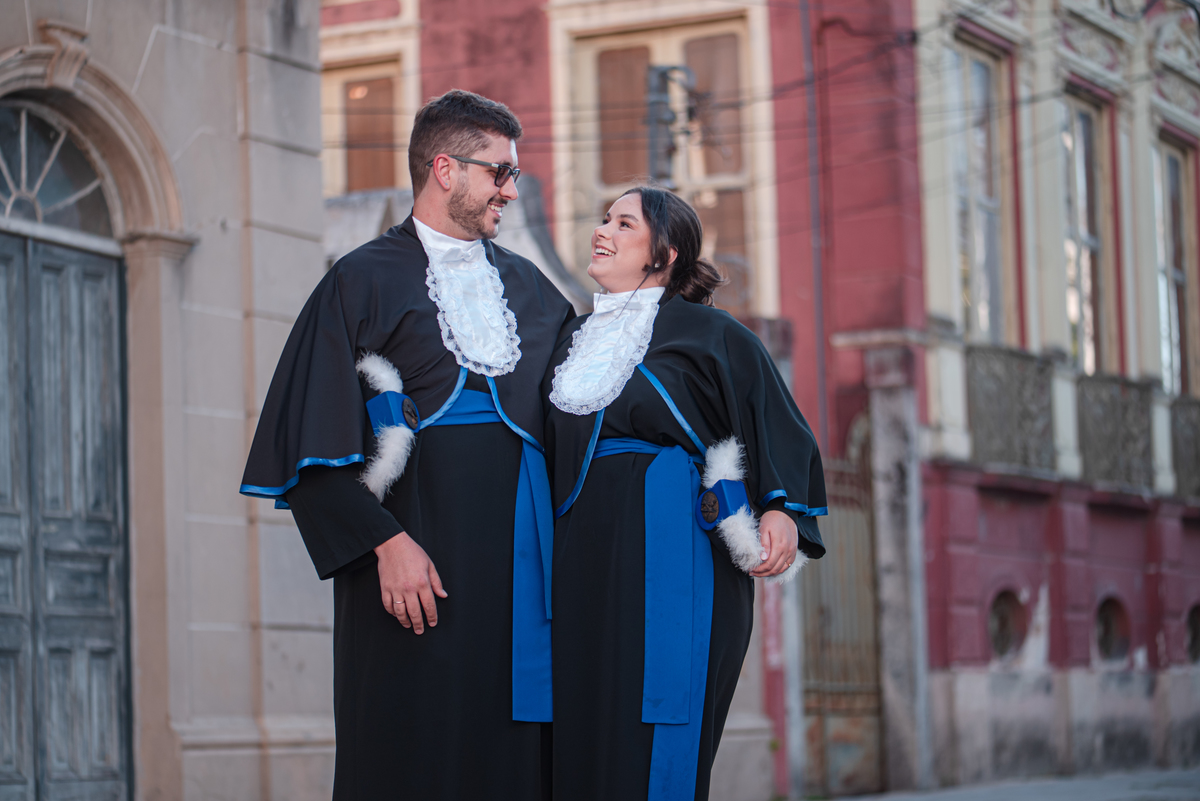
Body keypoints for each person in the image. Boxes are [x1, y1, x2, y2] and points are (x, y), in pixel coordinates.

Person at [239, 90, 573, 800]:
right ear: (445, 169)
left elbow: (597, 421)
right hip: (408, 572)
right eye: (500, 173)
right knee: (409, 754)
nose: (511, 191)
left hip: (521, 583)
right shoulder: (357, 281)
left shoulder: (537, 293)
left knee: (516, 764)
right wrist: (385, 544)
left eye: (513, 174)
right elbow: (309, 447)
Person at [544, 187, 827, 801]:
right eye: (604, 220)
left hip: (676, 555)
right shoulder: (567, 341)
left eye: (624, 224)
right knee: (580, 721)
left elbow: (778, 424)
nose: (602, 231)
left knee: (659, 722)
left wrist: (781, 509)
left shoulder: (711, 333)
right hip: (580, 558)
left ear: (665, 253)